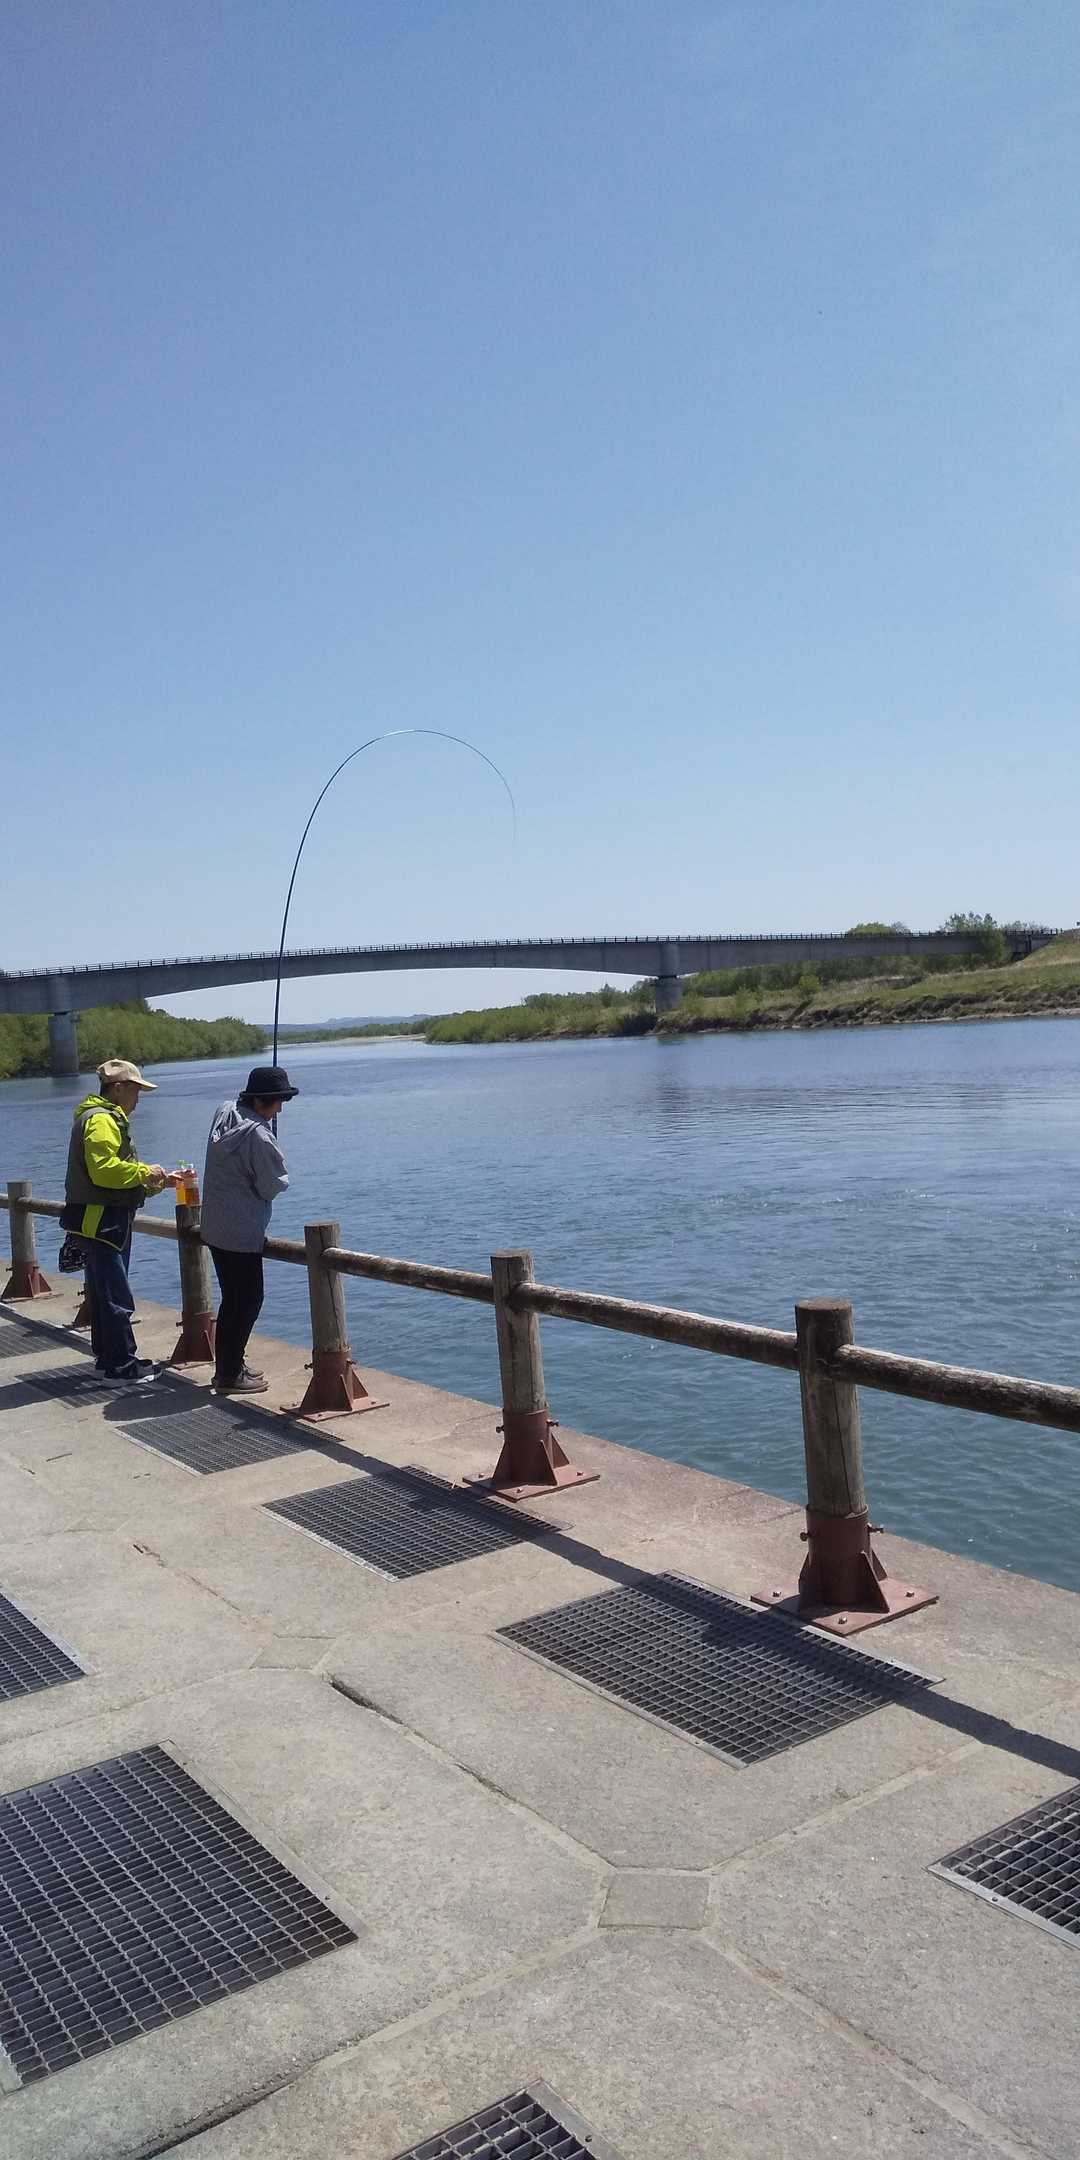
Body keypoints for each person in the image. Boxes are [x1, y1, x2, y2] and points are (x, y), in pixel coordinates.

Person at [61, 1059, 180, 1386]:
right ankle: (121, 1366)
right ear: (117, 1088)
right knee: (115, 1293)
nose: (138, 1098)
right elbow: (104, 1171)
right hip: (104, 1222)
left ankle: (108, 1360)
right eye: (135, 1090)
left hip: (98, 1220)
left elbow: (114, 1177)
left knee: (102, 1292)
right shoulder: (102, 1120)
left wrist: (158, 1182)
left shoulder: (98, 1117)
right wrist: (145, 1171)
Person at [201, 1065, 297, 1394]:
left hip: (215, 1226)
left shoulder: (224, 1112)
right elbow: (272, 1186)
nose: (280, 1108)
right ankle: (229, 1374)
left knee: (232, 1300)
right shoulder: (259, 1136)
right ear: (260, 1101)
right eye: (277, 1101)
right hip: (242, 1231)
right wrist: (271, 1145)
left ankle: (229, 1366)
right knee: (248, 1301)